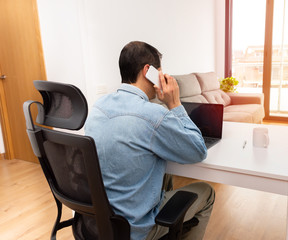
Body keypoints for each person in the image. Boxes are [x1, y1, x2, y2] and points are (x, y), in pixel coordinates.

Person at [85, 41, 215, 240]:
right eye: (159, 72)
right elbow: (198, 149)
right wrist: (175, 104)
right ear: (148, 71)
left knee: (165, 175)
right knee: (207, 192)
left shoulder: (98, 106)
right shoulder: (153, 115)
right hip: (135, 230)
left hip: (98, 223)